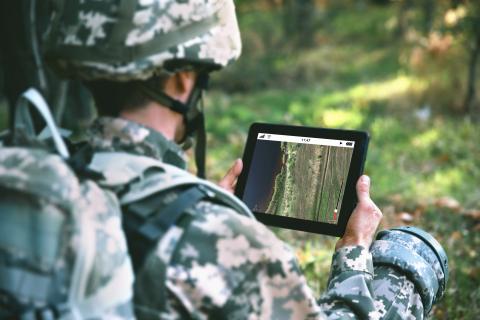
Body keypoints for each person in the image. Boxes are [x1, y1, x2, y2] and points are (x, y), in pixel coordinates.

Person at [43, 0, 447, 318]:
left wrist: (192, 205)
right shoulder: (225, 242)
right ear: (184, 78)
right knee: (409, 253)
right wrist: (355, 248)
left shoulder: (37, 174)